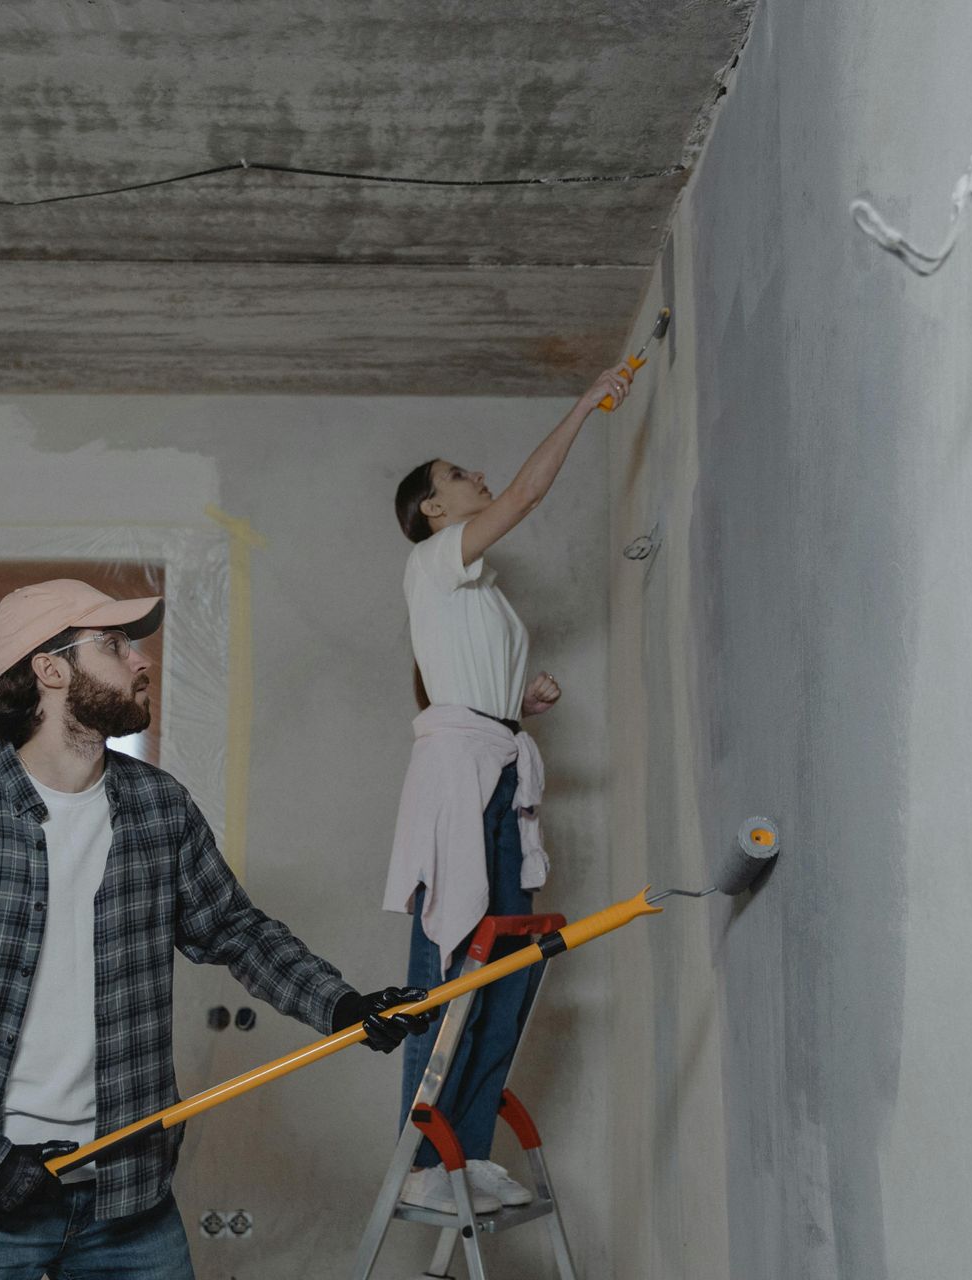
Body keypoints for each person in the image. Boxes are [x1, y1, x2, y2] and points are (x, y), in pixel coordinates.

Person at [0, 578, 426, 1279]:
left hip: (126, 1202)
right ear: (49, 669)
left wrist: (342, 1005)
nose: (142, 661)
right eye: (113, 645)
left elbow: (235, 930)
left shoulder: (158, 810)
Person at [382, 364, 631, 1215]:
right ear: (433, 510)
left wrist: (520, 701)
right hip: (464, 779)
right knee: (450, 964)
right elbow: (524, 495)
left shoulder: (476, 590)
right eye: (458, 479)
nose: (475, 480)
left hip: (495, 765)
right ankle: (424, 1157)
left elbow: (463, 683)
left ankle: (469, 1150)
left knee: (510, 966)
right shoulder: (433, 560)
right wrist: (584, 407)